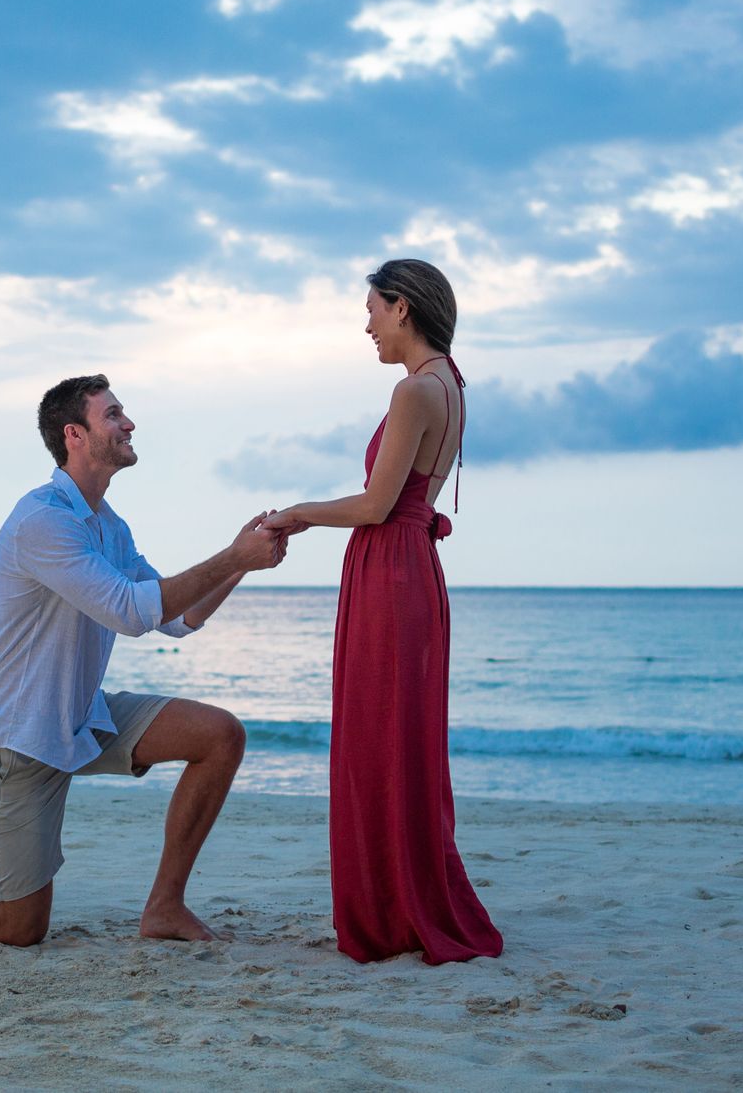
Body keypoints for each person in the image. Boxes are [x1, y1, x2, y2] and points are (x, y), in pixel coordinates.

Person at [0, 373, 285, 946]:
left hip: (83, 718)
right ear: (75, 435)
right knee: (15, 929)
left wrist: (243, 564)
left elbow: (175, 619)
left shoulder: (110, 527)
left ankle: (165, 908)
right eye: (112, 415)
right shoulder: (41, 521)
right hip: (19, 738)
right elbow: (130, 612)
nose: (129, 423)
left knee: (219, 735)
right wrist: (230, 555)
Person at [263, 259, 504, 965]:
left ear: (403, 308)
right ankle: (401, 899)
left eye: (372, 309)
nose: (366, 325)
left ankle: (388, 914)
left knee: (380, 739)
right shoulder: (450, 385)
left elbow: (375, 505)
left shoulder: (415, 391)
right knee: (404, 740)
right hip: (411, 569)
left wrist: (298, 512)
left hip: (391, 569)